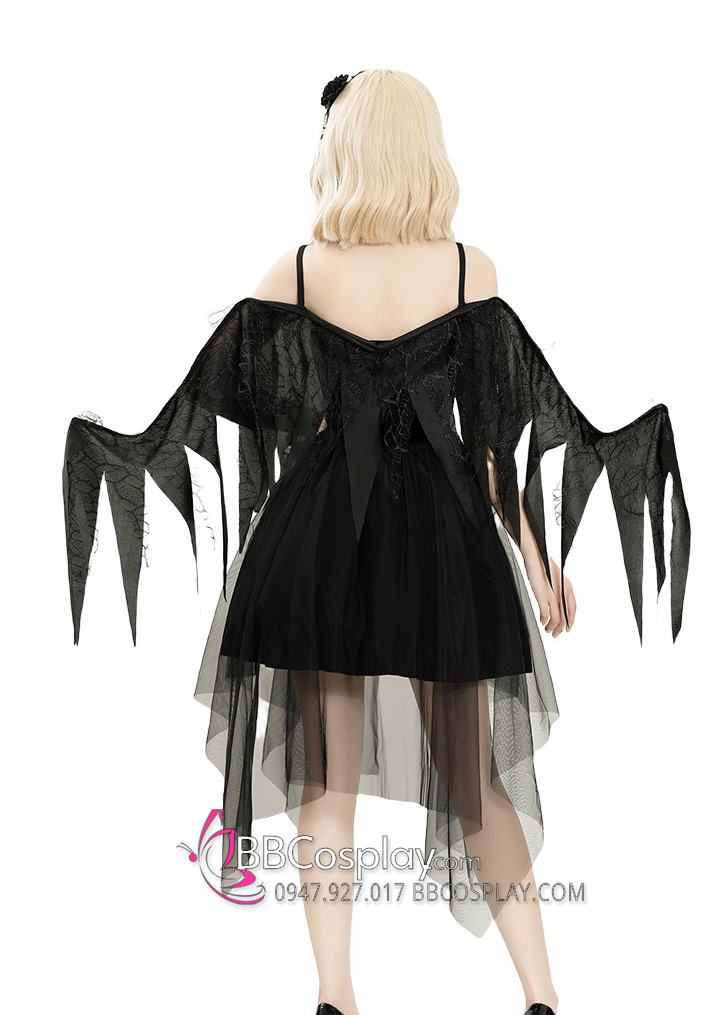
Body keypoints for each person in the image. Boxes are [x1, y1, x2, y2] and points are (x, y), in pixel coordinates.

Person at [62, 70, 690, 1015]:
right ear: (423, 148)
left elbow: (236, 399)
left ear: (346, 146)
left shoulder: (303, 270)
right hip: (443, 539)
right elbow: (489, 442)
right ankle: (542, 996)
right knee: (476, 778)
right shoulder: (469, 270)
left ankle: (336, 995)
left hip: (320, 537)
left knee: (326, 782)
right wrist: (534, 556)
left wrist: (132, 440)